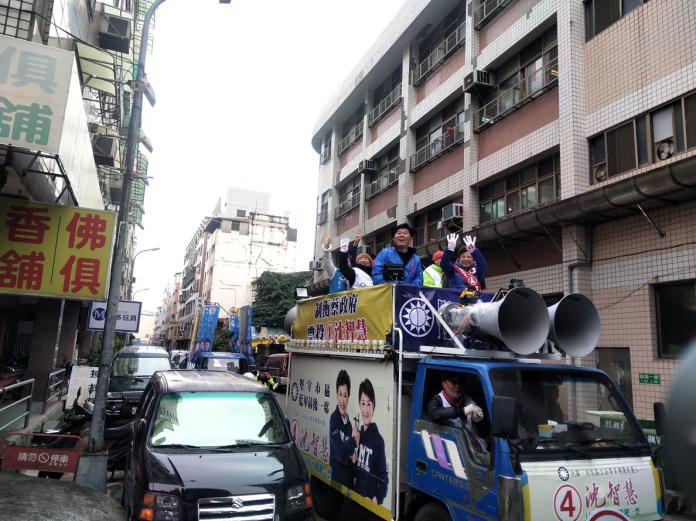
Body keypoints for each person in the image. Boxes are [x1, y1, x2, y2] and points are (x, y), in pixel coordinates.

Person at [426, 372, 487, 451]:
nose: (457, 386)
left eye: (460, 383)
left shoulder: (467, 399)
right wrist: (463, 410)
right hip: (451, 449)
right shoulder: (436, 401)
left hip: (472, 447)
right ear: (444, 384)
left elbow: (476, 421)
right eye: (454, 383)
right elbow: (436, 414)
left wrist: (477, 418)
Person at [354, 379, 388, 505]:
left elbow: (384, 478)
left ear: (373, 405)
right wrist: (354, 446)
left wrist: (375, 500)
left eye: (369, 404)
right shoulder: (359, 434)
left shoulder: (378, 441)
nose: (366, 410)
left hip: (368, 505)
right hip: (355, 497)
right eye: (363, 404)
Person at [329, 370, 359, 488]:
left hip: (349, 482)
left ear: (348, 397)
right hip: (337, 482)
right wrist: (353, 441)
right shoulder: (334, 419)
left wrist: (353, 449)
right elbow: (340, 452)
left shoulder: (350, 423)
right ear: (336, 395)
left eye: (345, 395)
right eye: (340, 394)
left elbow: (353, 458)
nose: (342, 400)